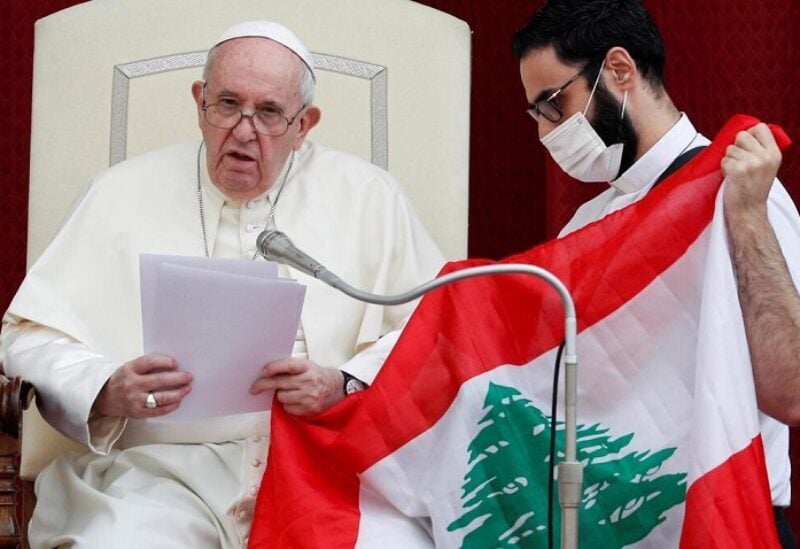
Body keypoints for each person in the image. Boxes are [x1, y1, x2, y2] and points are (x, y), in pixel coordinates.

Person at [0, 21, 444, 548]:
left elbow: (437, 329)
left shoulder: (372, 198)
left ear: (305, 125)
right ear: (199, 102)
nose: (243, 130)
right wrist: (104, 387)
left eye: (270, 113)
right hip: (157, 475)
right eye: (227, 104)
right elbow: (29, 335)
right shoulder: (118, 193)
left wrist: (343, 383)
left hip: (331, 465)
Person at [512, 0, 800, 546]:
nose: (547, 132)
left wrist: (747, 216)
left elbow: (791, 388)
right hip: (617, 526)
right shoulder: (585, 223)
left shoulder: (739, 190)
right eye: (537, 115)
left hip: (723, 521)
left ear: (618, 70)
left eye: (553, 104)